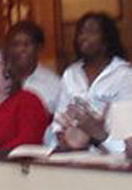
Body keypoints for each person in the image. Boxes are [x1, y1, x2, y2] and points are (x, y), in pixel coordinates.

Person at [55, 12, 132, 153]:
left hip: (112, 162)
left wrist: (94, 133)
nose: (83, 37)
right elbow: (58, 122)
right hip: (73, 158)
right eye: (80, 33)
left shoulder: (124, 75)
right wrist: (63, 137)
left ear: (107, 39)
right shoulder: (71, 74)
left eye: (91, 32)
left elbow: (126, 144)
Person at [6, 20, 62, 114]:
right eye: (15, 45)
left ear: (39, 48)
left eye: (26, 44)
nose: (21, 50)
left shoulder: (54, 84)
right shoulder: (0, 81)